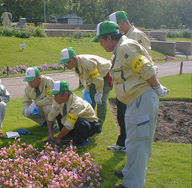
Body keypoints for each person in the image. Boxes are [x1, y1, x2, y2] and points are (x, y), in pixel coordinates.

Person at [92, 21, 169, 188]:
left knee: (138, 144)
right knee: (133, 142)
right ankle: (129, 173)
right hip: (136, 100)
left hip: (141, 99)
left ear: (110, 37)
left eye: (101, 40)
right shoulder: (120, 48)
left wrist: (157, 86)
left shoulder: (125, 47)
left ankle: (132, 185)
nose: (100, 44)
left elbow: (145, 67)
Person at [107, 11, 153, 151]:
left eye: (117, 27)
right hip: (126, 85)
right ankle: (123, 142)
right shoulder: (124, 38)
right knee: (122, 114)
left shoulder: (136, 36)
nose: (117, 31)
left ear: (121, 24)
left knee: (130, 118)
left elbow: (144, 61)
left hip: (135, 86)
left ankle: (127, 144)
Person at [59, 47, 113, 132]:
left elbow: (98, 78)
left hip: (105, 75)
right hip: (95, 78)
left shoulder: (86, 63)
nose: (66, 65)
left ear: (73, 59)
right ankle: (91, 122)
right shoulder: (75, 66)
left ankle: (99, 125)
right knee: (91, 100)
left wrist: (99, 92)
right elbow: (84, 78)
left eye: (67, 62)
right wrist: (87, 89)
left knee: (101, 101)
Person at [47, 80, 100, 147]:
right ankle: (68, 136)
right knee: (57, 113)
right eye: (54, 95)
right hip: (72, 124)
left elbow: (69, 124)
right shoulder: (58, 101)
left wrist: (58, 137)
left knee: (75, 119)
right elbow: (51, 115)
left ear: (66, 94)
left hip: (89, 125)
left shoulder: (77, 103)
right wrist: (50, 133)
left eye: (56, 95)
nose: (55, 97)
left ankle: (83, 140)